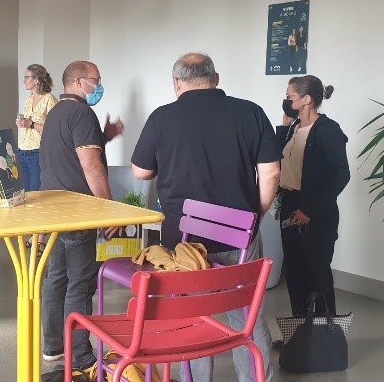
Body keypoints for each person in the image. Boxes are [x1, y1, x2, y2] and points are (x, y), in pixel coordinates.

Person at [130, 53, 280, 382]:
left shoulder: (162, 117)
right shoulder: (251, 112)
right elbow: (271, 173)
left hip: (184, 244)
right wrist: (255, 217)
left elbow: (141, 171)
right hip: (240, 237)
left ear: (177, 83)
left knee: (192, 319)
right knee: (249, 317)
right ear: (216, 78)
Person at [39, 60, 124, 374]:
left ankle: (53, 346)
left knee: (56, 278)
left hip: (54, 210)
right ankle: (80, 355)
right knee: (80, 282)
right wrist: (109, 210)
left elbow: (73, 151)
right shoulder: (82, 113)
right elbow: (90, 164)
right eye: (95, 80)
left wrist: (105, 136)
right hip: (79, 212)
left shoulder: (56, 113)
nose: (99, 85)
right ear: (78, 82)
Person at [277, 75, 349, 316]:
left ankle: (325, 332)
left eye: (290, 97)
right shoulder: (293, 128)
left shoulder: (328, 130)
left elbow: (341, 174)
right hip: (290, 206)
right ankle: (300, 329)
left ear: (306, 99)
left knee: (317, 275)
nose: (286, 101)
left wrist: (309, 209)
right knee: (294, 273)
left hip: (316, 212)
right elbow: (278, 159)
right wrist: (284, 127)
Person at [15, 64, 58, 191]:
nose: (24, 81)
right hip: (22, 150)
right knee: (24, 192)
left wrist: (31, 124)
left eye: (27, 77)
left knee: (35, 191)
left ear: (36, 80)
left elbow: (53, 129)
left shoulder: (50, 100)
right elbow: (27, 123)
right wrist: (22, 123)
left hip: (37, 151)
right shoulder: (28, 100)